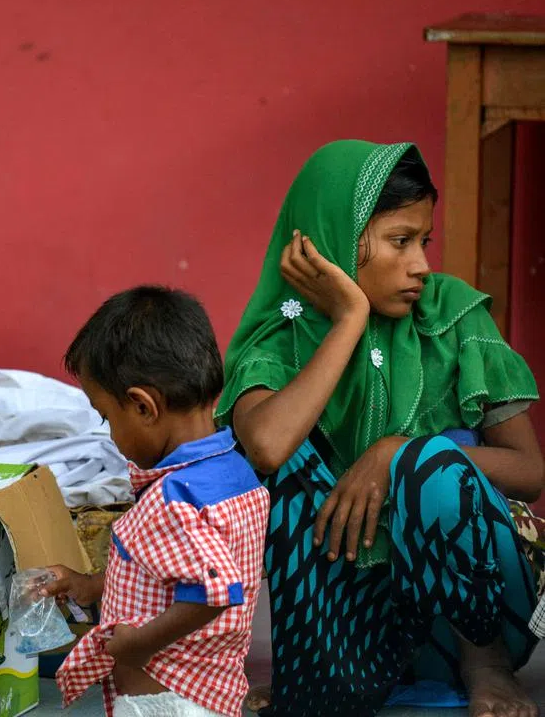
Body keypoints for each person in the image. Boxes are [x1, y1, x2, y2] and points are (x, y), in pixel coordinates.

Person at [216, 140, 544, 717]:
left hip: (474, 616)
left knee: (430, 466)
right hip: (361, 637)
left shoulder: (454, 316)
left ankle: (485, 665)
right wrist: (349, 318)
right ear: (333, 243)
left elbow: (529, 473)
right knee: (291, 452)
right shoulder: (280, 340)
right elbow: (266, 448)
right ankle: (319, 673)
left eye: (425, 241)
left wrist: (399, 454)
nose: (420, 264)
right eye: (400, 241)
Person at [44, 286, 269, 717]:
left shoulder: (174, 497)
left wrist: (138, 644)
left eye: (107, 417)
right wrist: (90, 585)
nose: (109, 432)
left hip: (167, 702)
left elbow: (213, 592)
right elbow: (166, 577)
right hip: (212, 692)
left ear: (144, 407)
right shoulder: (234, 473)